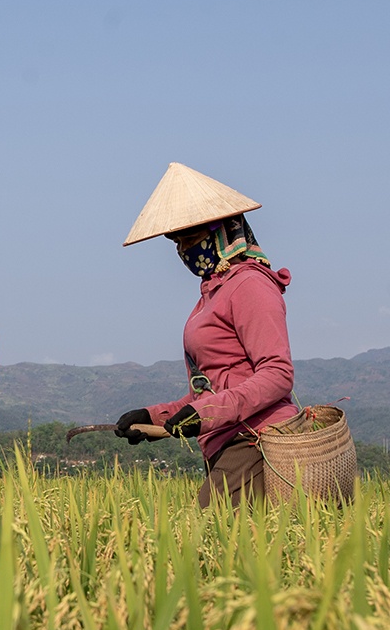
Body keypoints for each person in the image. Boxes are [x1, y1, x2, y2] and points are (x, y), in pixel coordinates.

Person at [114, 162, 300, 507]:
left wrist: (209, 412)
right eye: (176, 241)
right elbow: (213, 388)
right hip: (225, 444)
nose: (182, 250)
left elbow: (277, 375)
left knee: (200, 543)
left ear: (220, 232)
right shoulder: (212, 294)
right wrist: (155, 416)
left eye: (189, 238)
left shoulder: (250, 285)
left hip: (256, 442)